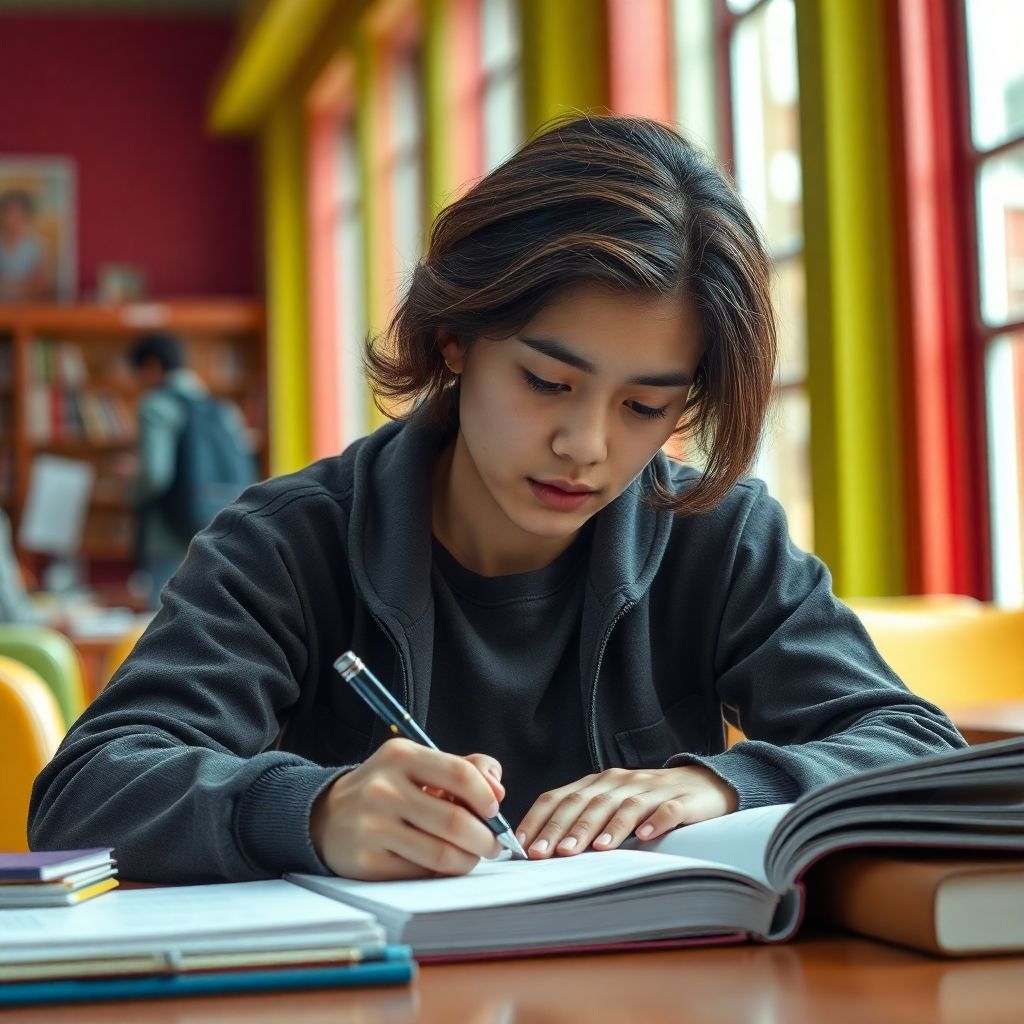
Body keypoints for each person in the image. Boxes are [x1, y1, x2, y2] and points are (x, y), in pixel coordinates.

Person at [29, 114, 964, 884]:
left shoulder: (714, 536)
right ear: (454, 341)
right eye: (548, 382)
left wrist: (719, 786)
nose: (587, 446)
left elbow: (916, 743)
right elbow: (88, 791)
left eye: (646, 406)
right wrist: (312, 810)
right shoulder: (285, 544)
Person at [126, 333, 253, 609]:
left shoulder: (156, 406)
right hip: (221, 529)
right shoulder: (223, 409)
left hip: (169, 533)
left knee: (163, 624)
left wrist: (130, 489)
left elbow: (155, 475)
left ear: (151, 367)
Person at [0, 189, 53, 302]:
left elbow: (41, 283)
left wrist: (15, 290)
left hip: (28, 309)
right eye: (8, 212)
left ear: (26, 215)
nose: (12, 218)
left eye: (17, 213)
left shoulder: (38, 246)